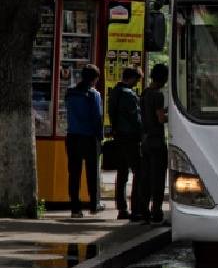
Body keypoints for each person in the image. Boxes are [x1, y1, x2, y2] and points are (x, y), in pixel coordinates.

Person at [65, 65, 103, 218]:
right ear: (94, 79)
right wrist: (100, 136)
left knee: (74, 173)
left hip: (72, 136)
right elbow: (97, 117)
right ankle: (93, 205)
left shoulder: (70, 93)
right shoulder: (94, 95)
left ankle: (75, 208)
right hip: (89, 137)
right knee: (92, 172)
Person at [108, 67, 143, 221]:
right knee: (138, 172)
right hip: (130, 137)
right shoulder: (129, 95)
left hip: (118, 136)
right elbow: (135, 118)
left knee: (122, 174)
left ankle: (122, 208)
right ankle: (136, 208)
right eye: (137, 80)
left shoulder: (114, 92)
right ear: (131, 78)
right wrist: (142, 132)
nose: (137, 84)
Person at [140, 64, 169, 224]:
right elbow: (160, 118)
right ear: (164, 78)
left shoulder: (144, 93)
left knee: (145, 178)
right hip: (157, 141)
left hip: (145, 141)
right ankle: (156, 212)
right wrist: (172, 115)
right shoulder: (158, 95)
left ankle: (143, 211)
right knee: (158, 179)